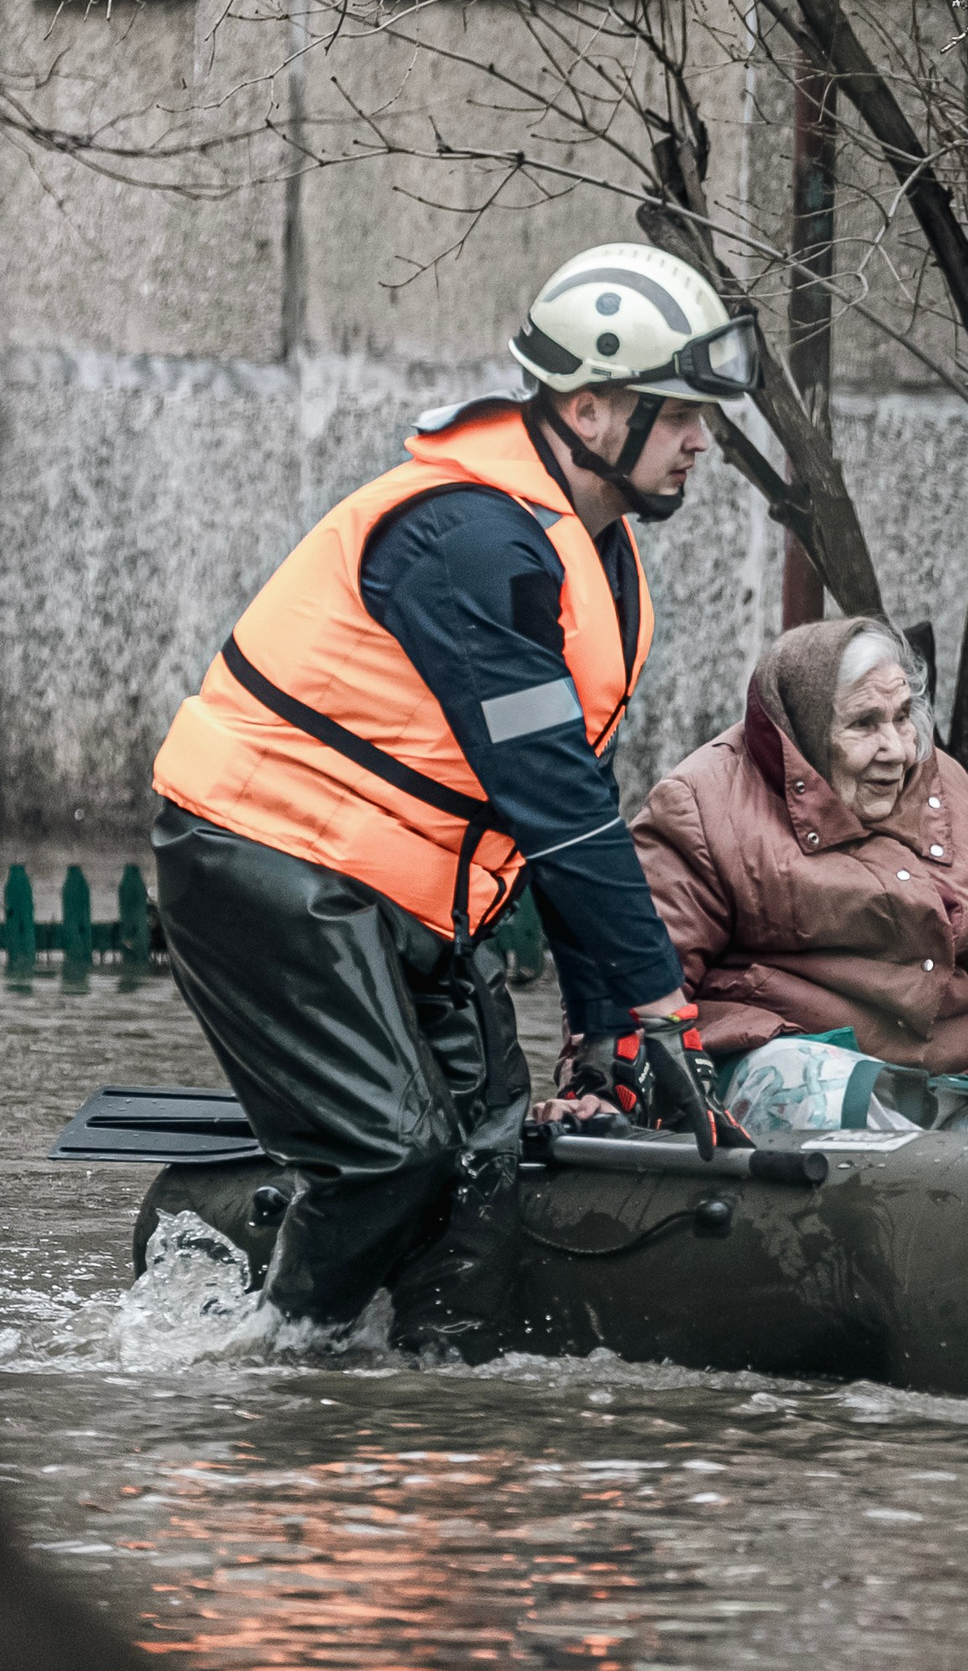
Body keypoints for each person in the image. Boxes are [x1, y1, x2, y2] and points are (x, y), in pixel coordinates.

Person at [149, 242, 759, 1350]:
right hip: (266, 859)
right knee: (393, 1156)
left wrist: (607, 1024)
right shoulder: (467, 540)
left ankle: (441, 1387)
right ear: (589, 407)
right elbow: (549, 793)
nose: (699, 439)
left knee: (487, 1156)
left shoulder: (594, 547)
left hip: (404, 892)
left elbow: (575, 795)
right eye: (677, 413)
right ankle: (265, 1370)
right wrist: (660, 1004)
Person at [627, 617, 968, 1131]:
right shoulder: (704, 804)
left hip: (939, 1092)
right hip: (796, 1087)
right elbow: (641, 977)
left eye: (901, 717)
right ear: (803, 731)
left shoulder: (947, 789)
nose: (895, 749)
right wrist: (605, 1096)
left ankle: (937, 1191)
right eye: (864, 723)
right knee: (818, 1087)